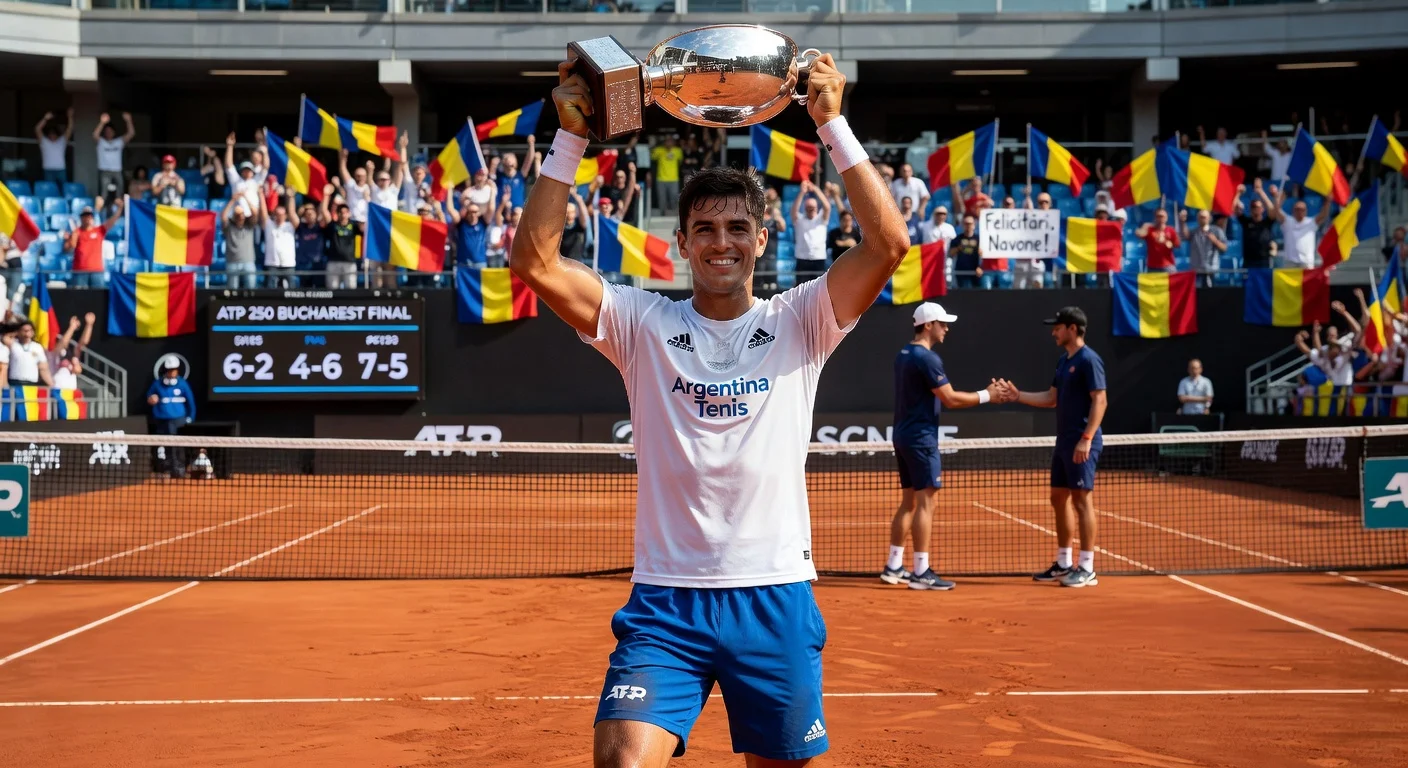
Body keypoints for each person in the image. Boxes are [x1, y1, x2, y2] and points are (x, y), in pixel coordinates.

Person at [514, 52, 907, 765]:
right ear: (683, 244)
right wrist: (569, 134)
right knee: (621, 759)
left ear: (762, 238)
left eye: (735, 228)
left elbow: (889, 244)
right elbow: (535, 264)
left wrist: (832, 123)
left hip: (774, 597)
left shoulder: (803, 319)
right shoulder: (641, 323)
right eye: (705, 229)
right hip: (666, 605)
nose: (720, 242)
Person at [883, 302, 1007, 591]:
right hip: (921, 439)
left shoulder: (904, 354)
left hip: (903, 435)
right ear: (928, 325)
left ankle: (893, 566)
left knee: (909, 501)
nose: (946, 328)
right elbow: (949, 398)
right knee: (927, 502)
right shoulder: (926, 358)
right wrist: (987, 395)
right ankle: (921, 571)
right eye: (942, 323)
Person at [997, 306, 1107, 589]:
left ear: (1072, 328)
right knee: (1058, 498)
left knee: (1082, 501)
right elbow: (1051, 398)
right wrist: (1018, 395)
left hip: (1082, 440)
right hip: (1063, 441)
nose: (1053, 332)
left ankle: (1087, 567)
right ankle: (1063, 562)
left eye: (1057, 327)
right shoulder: (1063, 362)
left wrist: (1086, 437)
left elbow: (1100, 400)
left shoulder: (1088, 360)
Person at [147, 355, 195, 479]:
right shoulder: (157, 384)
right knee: (165, 446)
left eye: (174, 369)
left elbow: (191, 402)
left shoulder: (183, 384)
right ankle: (165, 469)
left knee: (177, 446)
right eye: (169, 369)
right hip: (161, 420)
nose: (171, 372)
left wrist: (190, 418)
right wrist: (152, 399)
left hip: (178, 421)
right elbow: (149, 397)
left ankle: (179, 469)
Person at [63, 198, 123, 289]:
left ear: (92, 217)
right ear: (81, 218)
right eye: (85, 215)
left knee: (98, 299)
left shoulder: (99, 231)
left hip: (97, 271)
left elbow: (112, 221)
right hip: (80, 271)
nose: (87, 218)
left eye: (89, 215)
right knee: (79, 299)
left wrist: (120, 209)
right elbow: (67, 249)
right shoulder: (76, 232)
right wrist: (71, 240)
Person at [1271, 186, 1330, 269]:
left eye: (1302, 209)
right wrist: (1277, 198)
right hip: (1290, 262)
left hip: (1307, 262)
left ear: (1306, 211)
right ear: (1293, 210)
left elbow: (1324, 215)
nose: (1300, 211)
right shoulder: (1287, 221)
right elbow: (1277, 211)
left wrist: (1327, 201)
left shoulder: (1311, 222)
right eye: (1297, 209)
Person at [319, 185, 359, 290]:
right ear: (337, 214)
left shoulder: (354, 226)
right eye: (341, 213)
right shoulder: (333, 225)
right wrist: (326, 195)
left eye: (345, 212)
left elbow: (365, 221)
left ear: (349, 214)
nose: (343, 215)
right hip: (333, 262)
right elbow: (324, 211)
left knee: (350, 291)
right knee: (331, 291)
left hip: (349, 262)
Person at [791, 178, 831, 283]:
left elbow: (827, 207)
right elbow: (794, 210)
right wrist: (802, 192)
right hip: (802, 258)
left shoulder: (821, 219)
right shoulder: (800, 220)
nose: (810, 210)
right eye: (808, 208)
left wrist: (816, 190)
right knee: (800, 288)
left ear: (817, 208)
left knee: (817, 289)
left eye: (812, 208)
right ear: (805, 208)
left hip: (818, 258)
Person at [93, 111, 135, 202]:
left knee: (119, 196)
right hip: (104, 171)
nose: (108, 133)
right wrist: (102, 122)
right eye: (107, 131)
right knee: (103, 196)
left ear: (114, 132)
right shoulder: (101, 142)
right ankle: (101, 214)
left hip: (117, 171)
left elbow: (131, 133)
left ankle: (119, 214)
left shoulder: (119, 141)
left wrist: (128, 120)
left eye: (110, 131)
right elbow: (95, 135)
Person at [1179, 208, 1227, 286]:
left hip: (1211, 270)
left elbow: (1224, 248)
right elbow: (1185, 236)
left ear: (1209, 218)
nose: (1202, 219)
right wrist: (1182, 222)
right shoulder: (1194, 232)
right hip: (1197, 270)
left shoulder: (1217, 231)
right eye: (1200, 217)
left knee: (1210, 294)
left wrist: (1215, 241)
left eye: (1204, 217)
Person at [1235, 180, 1276, 270]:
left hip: (1264, 261)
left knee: (1264, 284)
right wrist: (1238, 193)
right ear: (1250, 209)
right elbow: (1233, 208)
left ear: (1262, 209)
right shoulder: (1246, 221)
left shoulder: (1267, 222)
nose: (1255, 209)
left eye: (1258, 207)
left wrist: (1260, 191)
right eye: (1253, 207)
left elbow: (1272, 210)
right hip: (1249, 261)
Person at [221, 196, 260, 290]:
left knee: (251, 290)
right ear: (234, 216)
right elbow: (223, 216)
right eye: (237, 215)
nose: (240, 217)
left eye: (242, 214)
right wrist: (233, 200)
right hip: (232, 262)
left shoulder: (249, 225)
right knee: (232, 291)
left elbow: (255, 213)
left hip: (248, 261)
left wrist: (246, 198)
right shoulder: (229, 227)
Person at [8, 320, 54, 389]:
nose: (27, 332)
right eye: (24, 330)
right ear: (18, 332)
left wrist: (52, 385)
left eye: (29, 330)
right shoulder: (12, 344)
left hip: (31, 384)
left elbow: (43, 368)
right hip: (15, 383)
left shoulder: (37, 347)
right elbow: (4, 338)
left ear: (32, 332)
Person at [35, 108, 74, 185]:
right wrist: (45, 119)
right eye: (50, 134)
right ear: (48, 135)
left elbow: (70, 129)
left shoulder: (62, 141)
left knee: (64, 189)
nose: (52, 135)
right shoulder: (44, 142)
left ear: (57, 135)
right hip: (48, 169)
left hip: (61, 169)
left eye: (54, 134)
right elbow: (37, 129)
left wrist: (70, 117)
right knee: (49, 190)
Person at [1135, 207, 1180, 272]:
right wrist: (1145, 226)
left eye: (1162, 216)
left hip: (1168, 265)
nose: (1160, 218)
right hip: (1152, 266)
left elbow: (1177, 244)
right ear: (1155, 217)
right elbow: (1138, 234)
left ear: (1166, 218)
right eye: (1158, 216)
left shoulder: (1171, 230)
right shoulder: (1149, 229)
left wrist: (1167, 243)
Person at [294, 201, 325, 288]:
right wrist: (303, 208)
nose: (309, 215)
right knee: (304, 292)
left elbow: (325, 215)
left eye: (312, 213)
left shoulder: (320, 227)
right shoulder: (300, 227)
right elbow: (294, 217)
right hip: (303, 265)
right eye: (307, 214)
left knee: (320, 293)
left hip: (317, 264)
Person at [650, 134, 684, 215]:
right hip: (661, 179)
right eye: (667, 141)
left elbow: (681, 161)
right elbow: (651, 157)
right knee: (662, 200)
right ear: (664, 142)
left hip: (674, 179)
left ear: (673, 142)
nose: (669, 143)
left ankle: (673, 216)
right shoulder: (658, 150)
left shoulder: (678, 151)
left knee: (674, 199)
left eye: (670, 141)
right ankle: (662, 216)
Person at [950, 214, 982, 289]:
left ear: (974, 225)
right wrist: (959, 248)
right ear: (962, 225)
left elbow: (984, 255)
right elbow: (951, 253)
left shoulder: (979, 239)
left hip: (976, 272)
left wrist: (980, 266)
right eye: (966, 223)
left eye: (970, 224)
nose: (968, 226)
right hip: (962, 271)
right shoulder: (957, 239)